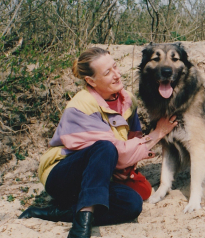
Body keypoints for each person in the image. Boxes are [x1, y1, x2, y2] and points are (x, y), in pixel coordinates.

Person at [19, 47, 177, 238]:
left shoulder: (128, 100)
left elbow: (133, 140)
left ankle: (53, 212)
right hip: (62, 175)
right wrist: (158, 132)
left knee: (132, 203)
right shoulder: (80, 106)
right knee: (105, 147)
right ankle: (80, 229)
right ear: (91, 81)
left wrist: (123, 169)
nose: (117, 75)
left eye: (115, 67)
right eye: (108, 72)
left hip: (96, 177)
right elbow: (118, 152)